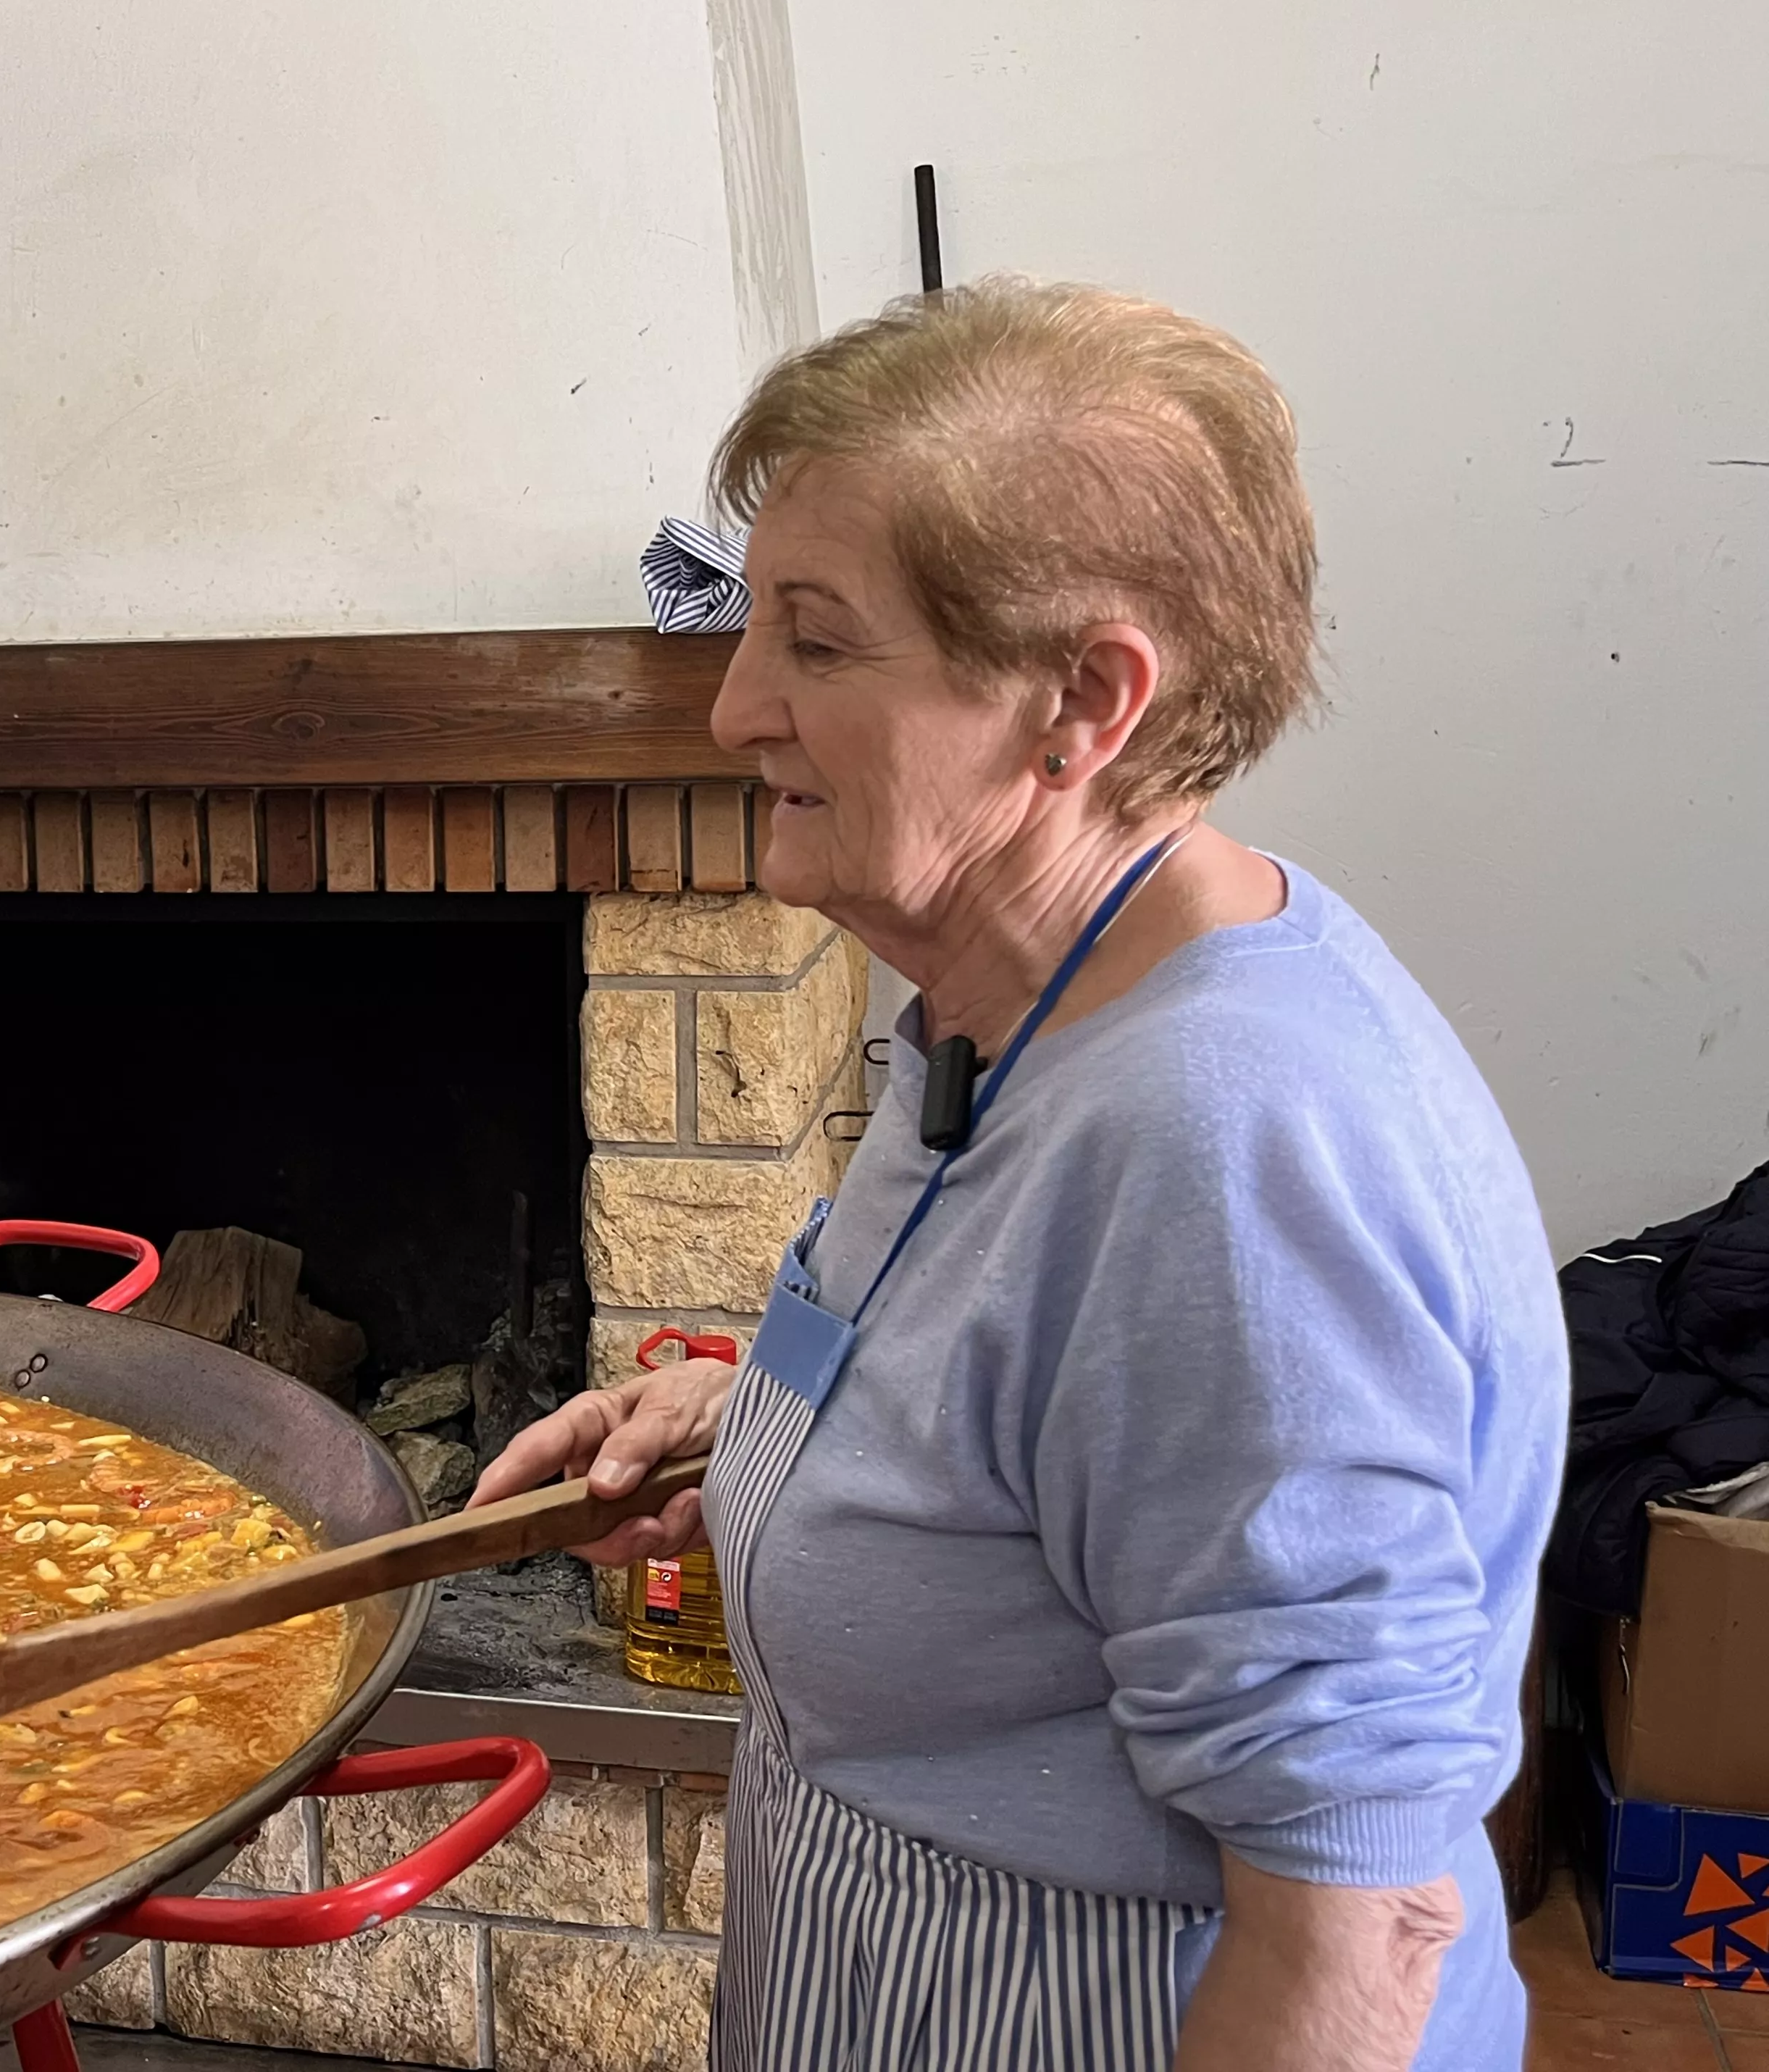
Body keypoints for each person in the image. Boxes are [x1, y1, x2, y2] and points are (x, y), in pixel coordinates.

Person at [476, 280, 1564, 2071]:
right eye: (753, 627)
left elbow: (1358, 1932)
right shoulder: (1006, 993)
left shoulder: (1225, 1154)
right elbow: (1044, 1396)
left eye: (819, 645)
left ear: (1084, 702)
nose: (739, 705)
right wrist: (762, 1434)